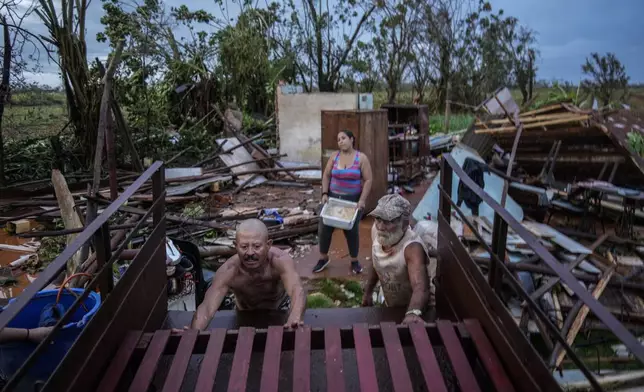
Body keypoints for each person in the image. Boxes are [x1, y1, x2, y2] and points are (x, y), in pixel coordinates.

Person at [185, 219, 306, 330]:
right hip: (245, 313)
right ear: (235, 245)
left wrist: (294, 318)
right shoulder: (229, 270)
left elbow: (297, 289)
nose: (250, 253)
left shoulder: (279, 261)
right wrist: (193, 331)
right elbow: (208, 306)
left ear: (268, 245)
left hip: (279, 308)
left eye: (257, 246)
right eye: (244, 247)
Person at [361, 194, 432, 324]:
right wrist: (368, 292)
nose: (381, 227)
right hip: (392, 305)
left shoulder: (412, 247)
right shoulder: (376, 231)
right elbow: (375, 258)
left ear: (405, 224)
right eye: (378, 219)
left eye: (388, 221)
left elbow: (420, 286)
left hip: (415, 308)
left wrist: (413, 312)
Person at [313, 130, 373, 274]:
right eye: (338, 139)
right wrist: (325, 193)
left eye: (344, 138)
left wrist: (362, 200)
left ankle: (354, 260)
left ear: (352, 139)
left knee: (351, 231)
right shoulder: (334, 157)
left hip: (352, 201)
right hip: (333, 199)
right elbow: (326, 175)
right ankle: (323, 258)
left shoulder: (361, 158)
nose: (340, 141)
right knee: (324, 228)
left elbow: (368, 180)